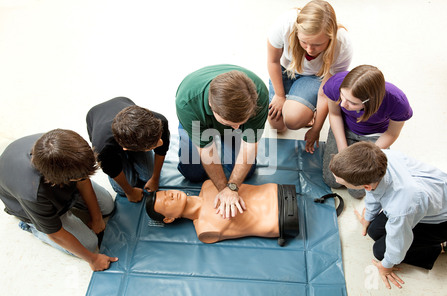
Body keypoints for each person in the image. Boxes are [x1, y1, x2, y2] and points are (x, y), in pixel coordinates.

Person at [329, 141, 447, 289]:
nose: (335, 180)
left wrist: (386, 266)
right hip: (425, 200)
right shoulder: (379, 158)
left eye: (341, 181)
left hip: (441, 222)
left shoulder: (400, 208)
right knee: (373, 230)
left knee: (380, 252)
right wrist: (368, 217)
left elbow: (398, 240)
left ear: (366, 186)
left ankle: (441, 246)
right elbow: (373, 192)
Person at [0, 129, 118, 271]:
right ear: (59, 180)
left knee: (107, 206)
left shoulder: (61, 147)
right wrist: (93, 260)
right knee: (90, 245)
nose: (83, 178)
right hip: (29, 207)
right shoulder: (33, 193)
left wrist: (97, 217)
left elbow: (83, 180)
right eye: (79, 178)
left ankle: (72, 204)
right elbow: (56, 235)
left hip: (58, 181)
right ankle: (32, 227)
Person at [175, 64, 269, 219]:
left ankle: (230, 124)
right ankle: (198, 129)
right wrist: (221, 189)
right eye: (231, 123)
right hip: (196, 119)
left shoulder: (259, 94)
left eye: (241, 122)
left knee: (248, 171)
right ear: (212, 106)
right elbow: (206, 151)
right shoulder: (187, 103)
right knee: (192, 173)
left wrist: (232, 187)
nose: (238, 128)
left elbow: (249, 146)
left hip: (226, 116)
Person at [267, 0, 353, 153]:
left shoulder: (342, 44)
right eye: (304, 42)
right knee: (277, 125)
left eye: (318, 44)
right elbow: (273, 61)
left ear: (330, 37)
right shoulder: (284, 24)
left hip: (314, 77)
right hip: (285, 70)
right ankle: (297, 102)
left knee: (293, 120)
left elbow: (325, 92)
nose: (310, 49)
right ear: (297, 32)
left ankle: (307, 110)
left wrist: (316, 128)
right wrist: (280, 96)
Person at [322, 65, 413, 198]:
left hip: (375, 136)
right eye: (342, 96)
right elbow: (335, 115)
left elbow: (391, 133)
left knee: (357, 190)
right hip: (345, 127)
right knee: (332, 180)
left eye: (352, 103)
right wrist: (343, 150)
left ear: (371, 101)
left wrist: (365, 155)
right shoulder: (335, 83)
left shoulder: (397, 101)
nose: (343, 104)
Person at [146, 180, 299, 245]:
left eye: (167, 192)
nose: (171, 195)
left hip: (278, 190)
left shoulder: (209, 184)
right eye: (166, 201)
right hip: (282, 220)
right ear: (169, 219)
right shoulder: (205, 230)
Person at [87, 97, 170, 202]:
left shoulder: (159, 121)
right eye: (153, 145)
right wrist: (129, 192)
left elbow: (162, 150)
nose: (161, 142)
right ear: (127, 148)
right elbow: (114, 171)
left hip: (121, 102)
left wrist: (155, 178)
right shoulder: (102, 149)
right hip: (97, 118)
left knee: (147, 176)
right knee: (122, 189)